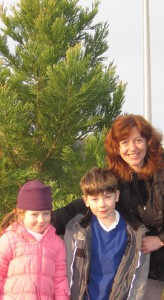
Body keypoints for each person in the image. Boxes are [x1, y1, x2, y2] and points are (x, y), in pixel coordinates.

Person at [52, 114, 164, 298]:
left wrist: (160, 239)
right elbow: (81, 205)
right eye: (125, 142)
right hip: (144, 269)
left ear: (148, 142)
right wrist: (36, 223)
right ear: (117, 148)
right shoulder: (116, 179)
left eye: (138, 140)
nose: (132, 148)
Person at [64, 167, 148, 300]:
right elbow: (68, 270)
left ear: (117, 196)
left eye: (107, 197)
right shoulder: (76, 230)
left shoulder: (135, 233)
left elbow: (139, 278)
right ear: (86, 201)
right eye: (95, 199)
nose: (102, 204)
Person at [0, 180, 70, 300]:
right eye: (34, 214)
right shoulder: (9, 239)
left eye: (46, 214)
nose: (41, 219)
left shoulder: (57, 244)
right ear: (22, 214)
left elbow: (60, 280)